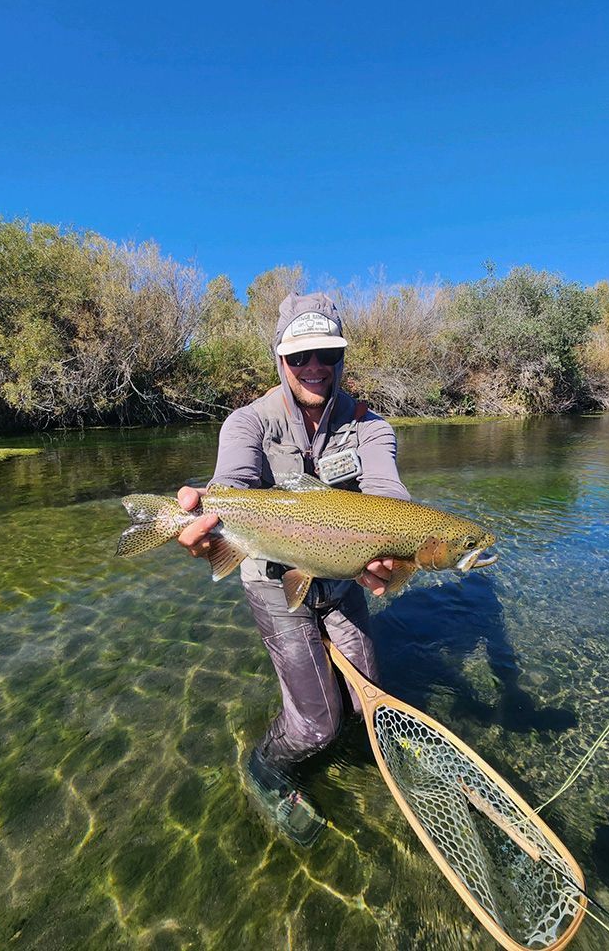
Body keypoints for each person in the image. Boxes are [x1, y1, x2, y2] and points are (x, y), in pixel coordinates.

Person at [176, 292, 411, 844]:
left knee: (366, 702)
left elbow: (388, 496)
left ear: (341, 358)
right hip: (271, 578)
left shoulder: (370, 426)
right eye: (299, 356)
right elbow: (231, 486)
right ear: (279, 359)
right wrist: (204, 526)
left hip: (342, 577)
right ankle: (265, 766)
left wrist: (394, 549)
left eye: (327, 354)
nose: (314, 367)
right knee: (317, 725)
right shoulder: (246, 423)